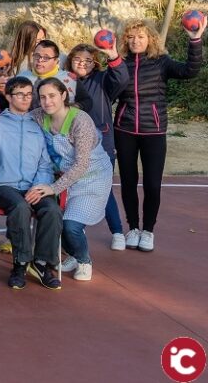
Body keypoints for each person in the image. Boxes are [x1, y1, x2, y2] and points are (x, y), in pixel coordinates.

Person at [114, 18, 203, 252]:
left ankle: (148, 231)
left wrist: (195, 40)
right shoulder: (120, 62)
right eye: (131, 37)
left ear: (150, 39)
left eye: (140, 36)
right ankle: (133, 228)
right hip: (124, 130)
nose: (135, 41)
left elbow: (190, 70)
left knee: (152, 184)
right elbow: (108, 90)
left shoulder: (161, 62)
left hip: (154, 130)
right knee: (128, 182)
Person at [0, 76, 62, 290]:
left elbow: (45, 163)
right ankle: (21, 264)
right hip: (3, 186)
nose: (25, 98)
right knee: (20, 207)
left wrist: (39, 187)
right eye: (20, 94)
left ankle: (41, 264)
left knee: (52, 209)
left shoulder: (38, 125)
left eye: (29, 94)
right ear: (8, 96)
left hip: (33, 187)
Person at [29, 78, 113, 282]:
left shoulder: (80, 120)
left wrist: (53, 188)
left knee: (71, 226)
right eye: (42, 97)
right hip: (68, 177)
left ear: (64, 95)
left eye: (52, 96)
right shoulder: (40, 116)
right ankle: (75, 255)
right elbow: (19, 119)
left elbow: (82, 164)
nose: (47, 101)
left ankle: (84, 261)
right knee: (58, 222)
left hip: (93, 176)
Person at [66, 42, 129, 250]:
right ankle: (75, 228)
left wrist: (113, 55)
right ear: (70, 60)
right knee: (70, 186)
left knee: (103, 188)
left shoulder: (102, 80)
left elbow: (121, 78)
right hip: (68, 146)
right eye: (77, 59)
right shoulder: (63, 81)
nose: (82, 63)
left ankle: (117, 231)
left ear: (94, 63)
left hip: (101, 145)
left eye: (87, 60)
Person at [18, 39, 82, 109]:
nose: (40, 60)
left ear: (56, 61)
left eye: (46, 57)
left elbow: (87, 101)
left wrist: (74, 108)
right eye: (37, 55)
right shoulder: (21, 77)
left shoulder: (70, 78)